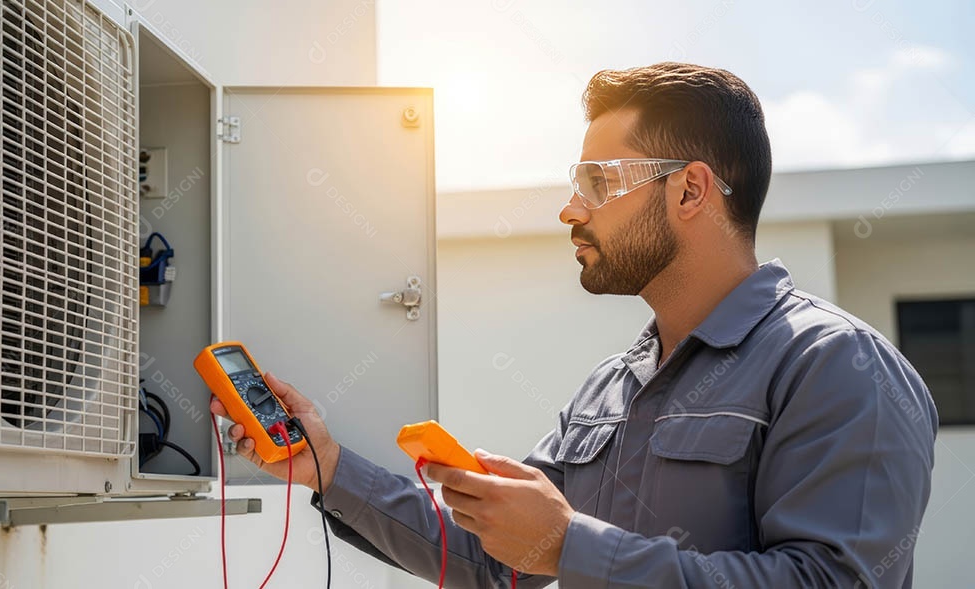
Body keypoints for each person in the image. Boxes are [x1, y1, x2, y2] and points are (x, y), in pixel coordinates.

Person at [210, 62, 938, 588]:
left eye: (598, 182)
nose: (570, 208)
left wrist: (568, 544)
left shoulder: (838, 366)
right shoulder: (614, 384)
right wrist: (328, 467)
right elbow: (494, 558)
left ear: (691, 189)